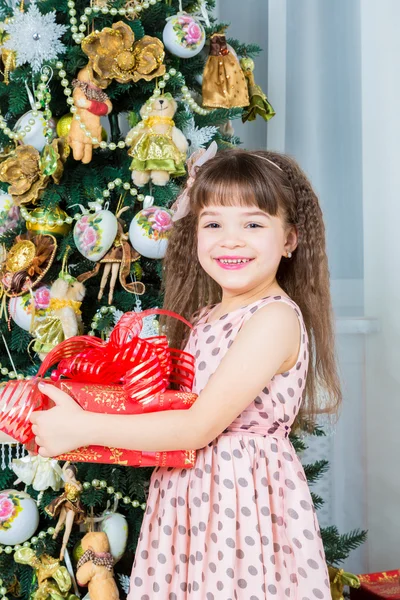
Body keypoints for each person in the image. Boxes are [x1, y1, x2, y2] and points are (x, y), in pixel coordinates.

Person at [31, 148, 342, 599]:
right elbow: (170, 410)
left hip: (241, 509)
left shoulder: (274, 318)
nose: (230, 240)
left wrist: (78, 429)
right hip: (188, 497)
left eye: (253, 224)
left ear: (290, 239)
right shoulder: (205, 316)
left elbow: (197, 426)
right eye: (213, 223)